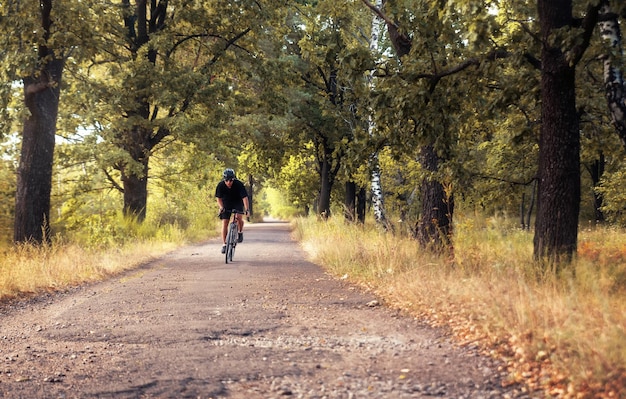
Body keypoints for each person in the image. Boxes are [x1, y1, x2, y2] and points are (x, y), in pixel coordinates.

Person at [215, 168, 250, 254]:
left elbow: (244, 198)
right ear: (224, 179)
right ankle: (224, 244)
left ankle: (240, 232)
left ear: (233, 179)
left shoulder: (239, 185)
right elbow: (218, 199)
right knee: (225, 222)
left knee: (238, 217)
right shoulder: (220, 185)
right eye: (226, 180)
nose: (229, 182)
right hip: (226, 202)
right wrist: (221, 207)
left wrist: (247, 209)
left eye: (231, 180)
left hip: (237, 202)